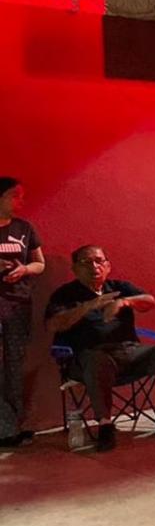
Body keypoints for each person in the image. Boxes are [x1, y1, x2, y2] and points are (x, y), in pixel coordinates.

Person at [45, 245, 155, 452]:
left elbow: (149, 301)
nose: (94, 267)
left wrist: (124, 302)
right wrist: (88, 306)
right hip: (87, 358)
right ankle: (105, 425)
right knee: (97, 360)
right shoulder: (65, 294)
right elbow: (53, 325)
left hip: (128, 352)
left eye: (99, 261)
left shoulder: (118, 287)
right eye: (86, 262)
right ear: (75, 269)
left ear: (108, 266)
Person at [0, 177, 45, 448]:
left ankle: (13, 425)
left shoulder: (24, 228)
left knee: (15, 365)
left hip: (18, 304)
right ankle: (4, 427)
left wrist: (24, 269)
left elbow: (40, 263)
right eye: (15, 196)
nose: (20, 201)